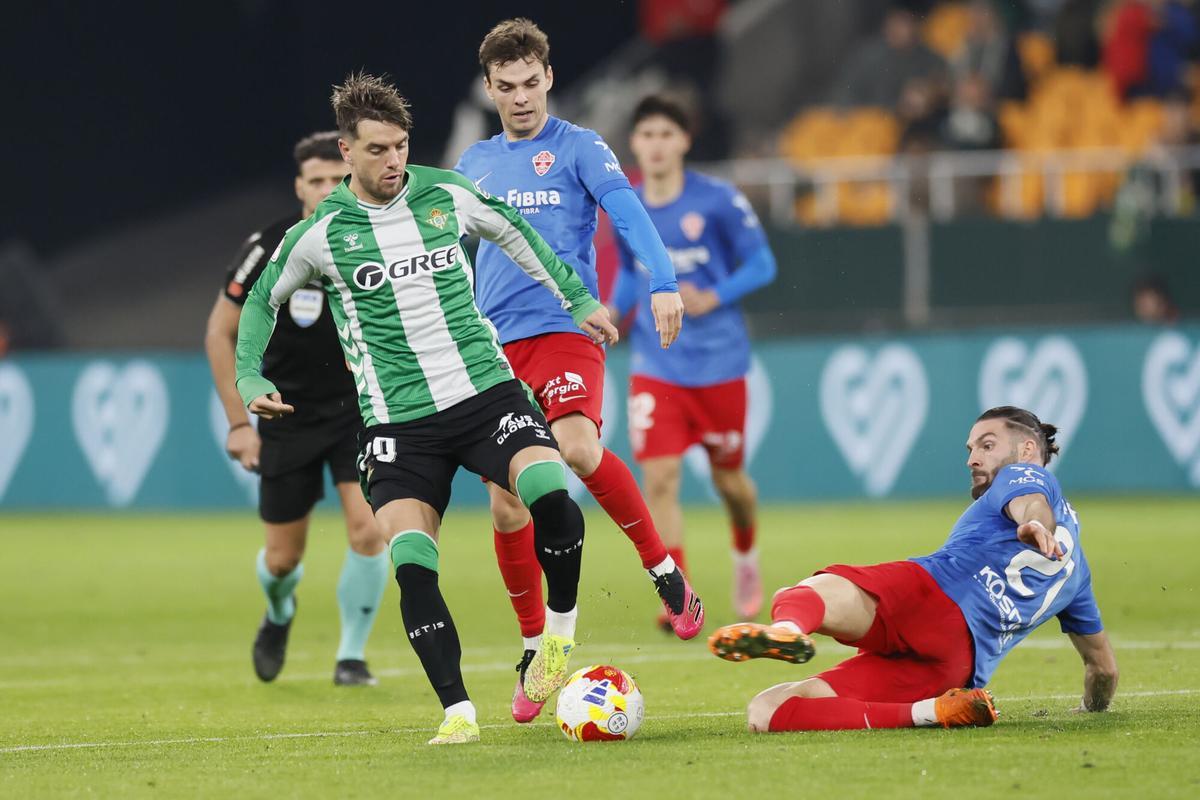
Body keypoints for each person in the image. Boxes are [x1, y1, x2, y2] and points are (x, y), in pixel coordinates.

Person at [235, 73, 620, 745]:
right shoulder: (320, 234)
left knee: (552, 494)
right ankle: (458, 712)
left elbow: (518, 234)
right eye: (377, 150)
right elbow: (261, 302)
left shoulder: (445, 193)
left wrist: (577, 299)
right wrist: (248, 377)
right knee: (412, 564)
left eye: (401, 146)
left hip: (484, 393)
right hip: (399, 424)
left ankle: (556, 636)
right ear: (346, 152)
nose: (394, 161)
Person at [454, 18, 701, 724]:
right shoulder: (473, 162)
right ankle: (538, 647)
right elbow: (446, 250)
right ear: (490, 89)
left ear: (549, 79)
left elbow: (629, 213)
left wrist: (662, 281)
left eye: (531, 83)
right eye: (507, 86)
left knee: (578, 449)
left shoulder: (581, 147)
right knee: (506, 505)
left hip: (567, 329)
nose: (521, 97)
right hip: (495, 347)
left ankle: (664, 571)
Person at [709, 406, 1119, 733]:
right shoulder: (1077, 574)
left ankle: (789, 628)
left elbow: (1031, 502)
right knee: (767, 710)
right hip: (956, 667)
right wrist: (1091, 709)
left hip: (931, 597)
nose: (973, 459)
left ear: (1028, 450)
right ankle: (933, 711)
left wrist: (1034, 525)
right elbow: (1102, 668)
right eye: (971, 449)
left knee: (806, 592)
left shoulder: (1022, 474)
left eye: (987, 445)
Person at [204, 132, 388, 688]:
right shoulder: (268, 246)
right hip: (285, 414)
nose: (328, 189)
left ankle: (351, 656)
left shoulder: (379, 236)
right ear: (299, 187)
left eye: (338, 179)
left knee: (370, 529)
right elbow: (220, 331)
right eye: (317, 180)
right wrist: (240, 423)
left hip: (360, 410)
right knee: (282, 560)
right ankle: (279, 610)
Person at [611, 95, 777, 626]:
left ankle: (745, 553)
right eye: (647, 135)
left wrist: (715, 295)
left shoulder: (718, 200)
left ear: (684, 140)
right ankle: (678, 595)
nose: (656, 145)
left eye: (667, 134)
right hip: (656, 365)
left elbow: (763, 264)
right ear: (634, 144)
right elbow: (628, 273)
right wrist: (612, 311)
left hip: (718, 364)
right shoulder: (625, 206)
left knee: (731, 484)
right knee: (659, 479)